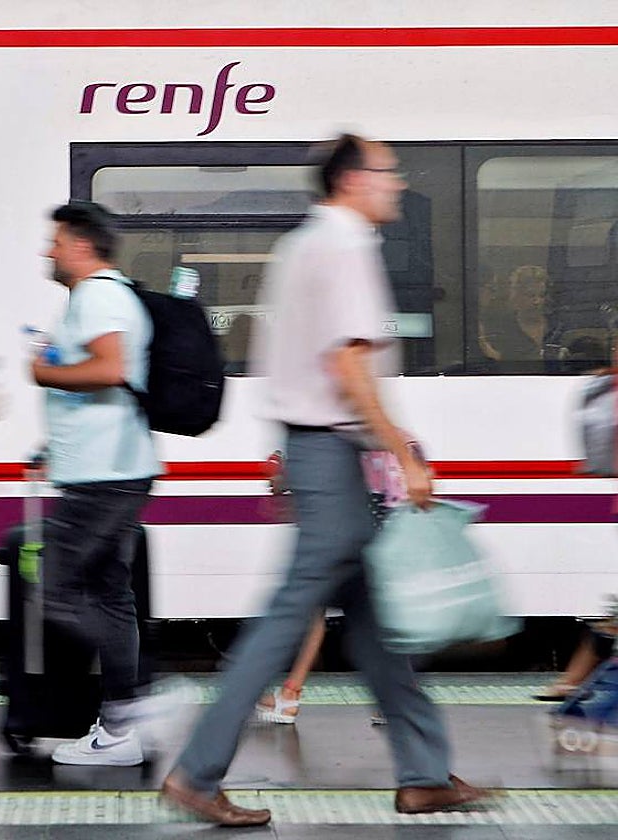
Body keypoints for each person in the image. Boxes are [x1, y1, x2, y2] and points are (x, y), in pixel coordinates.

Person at [161, 135, 490, 826]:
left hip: (321, 454)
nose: (397, 184)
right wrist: (402, 452)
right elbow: (348, 366)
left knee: (373, 626)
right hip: (329, 458)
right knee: (288, 617)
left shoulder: (310, 242)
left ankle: (424, 773)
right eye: (388, 173)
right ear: (352, 180)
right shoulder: (342, 245)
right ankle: (196, 772)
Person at [29, 202, 161, 766]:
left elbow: (111, 369)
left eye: (56, 241)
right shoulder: (108, 295)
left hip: (104, 475)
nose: (49, 250)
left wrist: (43, 371)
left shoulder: (98, 296)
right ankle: (118, 730)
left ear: (81, 246)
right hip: (110, 467)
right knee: (110, 597)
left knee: (55, 588)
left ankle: (135, 709)